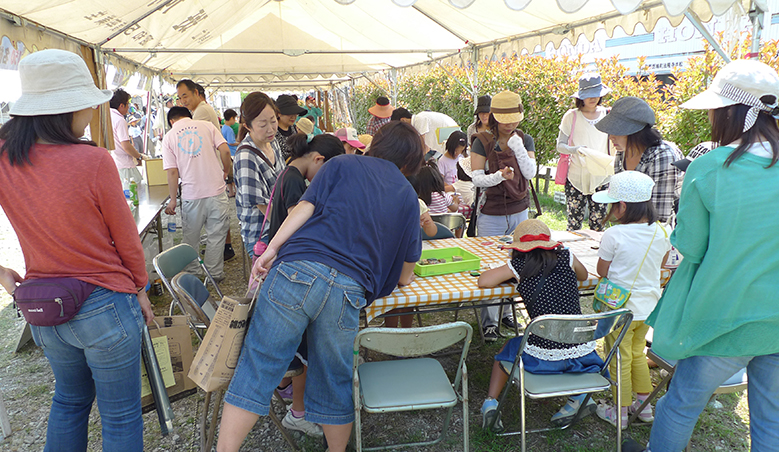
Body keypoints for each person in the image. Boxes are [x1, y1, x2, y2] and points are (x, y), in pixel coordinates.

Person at [216, 121, 424, 452]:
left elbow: (304, 208)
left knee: (257, 369)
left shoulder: (340, 162)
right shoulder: (406, 196)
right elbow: (404, 274)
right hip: (347, 290)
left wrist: (271, 249)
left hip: (295, 270)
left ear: (378, 143)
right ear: (410, 161)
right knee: (333, 380)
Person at [0, 48, 154, 452]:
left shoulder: (5, 156)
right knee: (120, 415)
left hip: (43, 307)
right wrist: (140, 287)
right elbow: (126, 239)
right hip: (103, 302)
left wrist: (3, 275)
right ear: (67, 108)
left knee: (68, 402)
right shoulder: (93, 160)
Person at [622, 59, 779, 452]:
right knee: (770, 418)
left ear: (730, 111)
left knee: (680, 406)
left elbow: (689, 246)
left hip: (725, 315)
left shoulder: (710, 167)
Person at [478, 219, 601, 430]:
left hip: (541, 353)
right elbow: (583, 275)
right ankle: (578, 397)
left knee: (505, 352)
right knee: (559, 344)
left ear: (518, 248)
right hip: (581, 352)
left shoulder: (519, 265)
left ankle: (490, 403)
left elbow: (484, 281)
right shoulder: (566, 256)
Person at [265, 132, 344, 437]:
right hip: (288, 269)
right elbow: (298, 225)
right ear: (318, 160)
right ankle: (299, 412)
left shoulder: (290, 173)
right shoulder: (296, 180)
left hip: (284, 266)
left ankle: (287, 389)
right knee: (307, 347)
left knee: (303, 344)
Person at [586, 171, 670, 428]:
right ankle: (644, 407)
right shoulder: (662, 231)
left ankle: (620, 412)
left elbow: (602, 271)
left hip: (620, 308)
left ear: (622, 206)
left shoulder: (614, 235)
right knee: (636, 353)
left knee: (618, 358)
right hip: (648, 307)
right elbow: (663, 264)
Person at [471, 90, 537, 341]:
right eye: (505, 118)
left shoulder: (524, 139)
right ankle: (489, 321)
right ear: (495, 117)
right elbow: (477, 179)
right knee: (490, 263)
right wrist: (499, 176)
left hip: (520, 208)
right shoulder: (481, 140)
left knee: (517, 262)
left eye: (515, 117)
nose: (510, 123)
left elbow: (530, 172)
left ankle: (509, 310)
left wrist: (517, 147)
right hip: (492, 210)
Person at [162, 107, 232, 282]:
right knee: (216, 235)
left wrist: (172, 199)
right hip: (216, 190)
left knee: (190, 237)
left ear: (171, 121)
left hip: (191, 194)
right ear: (189, 116)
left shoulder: (170, 136)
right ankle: (214, 274)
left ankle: (194, 272)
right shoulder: (207, 126)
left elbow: (172, 172)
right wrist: (226, 170)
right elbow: (225, 151)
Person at [595, 97, 683, 223]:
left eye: (616, 131)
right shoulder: (622, 153)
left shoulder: (662, 156)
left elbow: (660, 215)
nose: (611, 137)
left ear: (635, 133)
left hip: (659, 234)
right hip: (632, 229)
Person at [556, 73, 613, 231]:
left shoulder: (608, 114)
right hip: (576, 177)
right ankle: (572, 255)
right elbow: (560, 145)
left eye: (596, 94)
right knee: (574, 226)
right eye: (589, 95)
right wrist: (575, 150)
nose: (593, 99)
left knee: (598, 226)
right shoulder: (571, 116)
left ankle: (597, 256)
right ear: (581, 97)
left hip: (601, 177)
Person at [233, 92, 285, 257]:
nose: (271, 129)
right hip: (262, 235)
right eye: (263, 124)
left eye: (273, 121)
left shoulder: (273, 142)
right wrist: (288, 229)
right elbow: (262, 206)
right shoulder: (246, 156)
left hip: (279, 225)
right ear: (248, 126)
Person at [109, 88, 145, 184]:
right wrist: (139, 156)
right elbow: (126, 146)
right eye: (127, 104)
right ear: (121, 105)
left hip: (116, 163)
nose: (128, 107)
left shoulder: (108, 117)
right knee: (134, 192)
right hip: (125, 165)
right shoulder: (120, 120)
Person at [438, 130, 474, 218]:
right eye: (456, 151)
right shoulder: (442, 161)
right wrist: (454, 187)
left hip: (464, 190)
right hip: (451, 191)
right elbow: (440, 181)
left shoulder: (463, 157)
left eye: (461, 151)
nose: (457, 153)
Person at [275, 94, 307, 162]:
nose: (294, 117)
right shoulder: (272, 133)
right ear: (278, 113)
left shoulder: (294, 129)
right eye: (289, 113)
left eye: (296, 113)